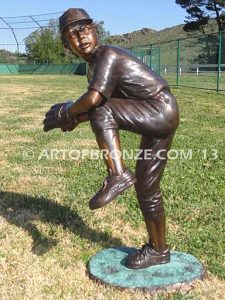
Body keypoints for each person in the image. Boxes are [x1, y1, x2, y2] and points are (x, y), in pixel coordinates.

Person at [43, 8, 179, 269]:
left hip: (159, 110)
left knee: (102, 110)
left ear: (96, 31)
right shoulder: (93, 66)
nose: (81, 37)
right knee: (147, 188)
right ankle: (159, 250)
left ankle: (117, 174)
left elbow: (95, 102)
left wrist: (67, 111)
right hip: (158, 114)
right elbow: (97, 106)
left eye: (85, 29)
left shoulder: (107, 54)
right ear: (65, 44)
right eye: (73, 34)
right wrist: (72, 119)